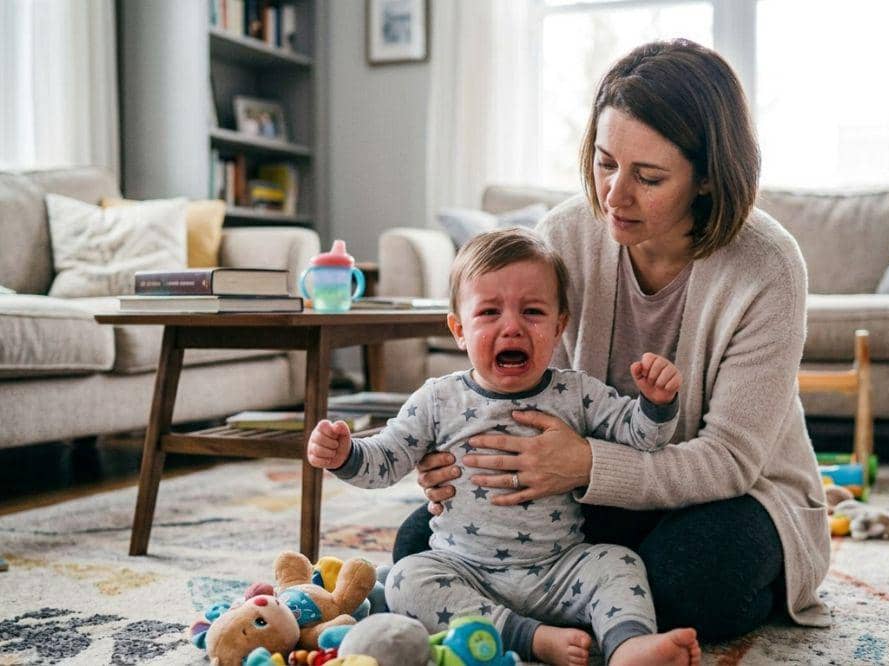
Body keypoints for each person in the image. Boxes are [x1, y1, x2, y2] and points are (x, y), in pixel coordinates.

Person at [396, 38, 833, 643]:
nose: (614, 196)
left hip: (738, 491)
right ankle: (548, 626)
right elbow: (522, 397)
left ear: (707, 179)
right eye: (605, 163)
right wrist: (458, 462)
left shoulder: (769, 267)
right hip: (581, 494)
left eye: (648, 177)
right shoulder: (566, 237)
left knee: (691, 583)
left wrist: (586, 463)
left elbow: (730, 460)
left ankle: (570, 607)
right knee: (417, 543)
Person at [308, 228, 701, 666]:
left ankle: (628, 646)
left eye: (532, 312)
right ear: (459, 329)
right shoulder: (438, 399)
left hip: (559, 567)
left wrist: (656, 403)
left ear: (559, 327)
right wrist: (344, 454)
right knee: (405, 578)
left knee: (618, 564)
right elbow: (385, 460)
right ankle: (530, 638)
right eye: (490, 312)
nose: (511, 326)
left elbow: (642, 437)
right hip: (464, 570)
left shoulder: (578, 393)